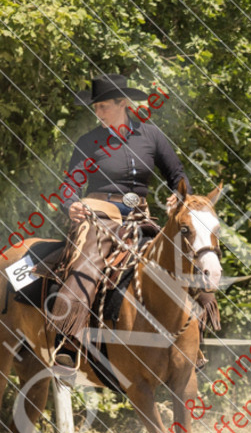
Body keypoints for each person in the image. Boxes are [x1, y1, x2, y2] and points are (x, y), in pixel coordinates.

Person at [49, 74, 202, 376]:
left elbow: (177, 174)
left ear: (124, 104)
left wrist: (177, 196)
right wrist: (71, 204)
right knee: (85, 267)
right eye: (96, 108)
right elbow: (69, 185)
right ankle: (66, 342)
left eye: (104, 106)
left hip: (140, 218)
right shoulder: (89, 141)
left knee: (188, 263)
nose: (98, 113)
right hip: (98, 215)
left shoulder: (152, 136)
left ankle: (192, 344)